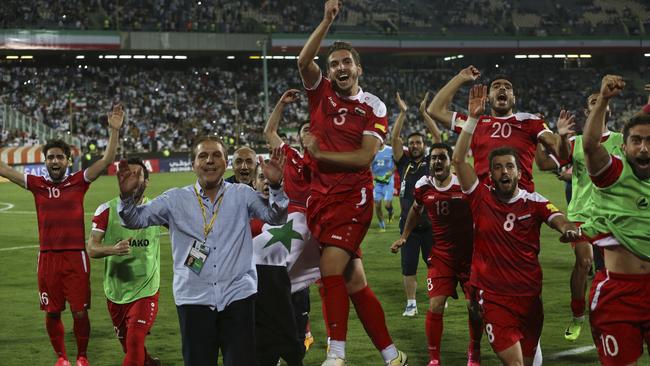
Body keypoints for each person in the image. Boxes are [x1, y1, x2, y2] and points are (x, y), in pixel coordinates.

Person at [297, 1, 406, 364]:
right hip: (320, 198)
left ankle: (337, 353)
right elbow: (302, 61)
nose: (340, 68)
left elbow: (364, 157)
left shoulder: (374, 106)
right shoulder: (320, 92)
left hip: (353, 199)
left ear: (358, 69)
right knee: (354, 280)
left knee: (329, 268)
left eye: (346, 62)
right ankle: (392, 355)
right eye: (334, 64)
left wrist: (317, 153)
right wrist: (326, 22)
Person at [117, 136, 288, 366]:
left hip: (238, 296)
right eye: (203, 156)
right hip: (193, 300)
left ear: (226, 162)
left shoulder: (242, 195)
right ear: (193, 164)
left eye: (216, 155)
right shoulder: (174, 199)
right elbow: (134, 219)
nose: (210, 160)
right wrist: (127, 198)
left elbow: (275, 217)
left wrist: (276, 187)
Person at [452, 84, 580, 366]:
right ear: (491, 172)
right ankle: (475, 346)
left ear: (520, 172)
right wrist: (473, 119)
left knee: (531, 359)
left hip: (530, 297)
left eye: (509, 166)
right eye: (497, 167)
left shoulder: (533, 201)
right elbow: (459, 160)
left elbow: (556, 217)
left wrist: (567, 229)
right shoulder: (480, 197)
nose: (503, 172)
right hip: (495, 296)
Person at [0, 104, 124, 366]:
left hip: (75, 258)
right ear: (45, 161)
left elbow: (106, 162)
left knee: (79, 312)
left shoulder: (79, 181)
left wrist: (114, 131)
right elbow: (4, 169)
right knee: (52, 311)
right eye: (50, 157)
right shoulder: (37, 185)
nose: (54, 161)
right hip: (47, 259)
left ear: (68, 161)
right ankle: (61, 358)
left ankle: (81, 356)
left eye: (59, 157)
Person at [578, 75, 650, 366]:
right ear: (623, 146)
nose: (643, 148)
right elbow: (590, 145)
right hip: (618, 292)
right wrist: (604, 99)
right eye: (636, 141)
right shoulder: (614, 174)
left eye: (649, 141)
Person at [390, 142, 482, 366]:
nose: (437, 161)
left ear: (451, 162)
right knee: (435, 305)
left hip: (470, 257)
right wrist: (404, 236)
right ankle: (434, 359)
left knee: (475, 308)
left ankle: (474, 351)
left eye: (442, 157)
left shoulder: (464, 183)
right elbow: (415, 209)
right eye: (433, 158)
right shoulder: (424, 185)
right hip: (441, 255)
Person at [427, 66, 566, 192]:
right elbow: (434, 110)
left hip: (522, 203)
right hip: (485, 205)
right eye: (496, 86)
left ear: (514, 99)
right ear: (487, 98)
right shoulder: (474, 122)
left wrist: (563, 137)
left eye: (507, 86)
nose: (502, 88)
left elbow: (559, 150)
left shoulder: (530, 121)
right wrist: (460, 78)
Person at [87, 158, 161, 366]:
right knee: (130, 347)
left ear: (147, 181)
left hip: (146, 291)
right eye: (130, 175)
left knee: (135, 340)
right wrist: (113, 249)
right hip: (116, 293)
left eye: (139, 175)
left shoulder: (156, 209)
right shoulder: (106, 210)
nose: (134, 180)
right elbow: (91, 248)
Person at [561, 94, 623, 342]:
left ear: (609, 108)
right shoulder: (576, 142)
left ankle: (610, 319)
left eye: (602, 100)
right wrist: (561, 136)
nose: (598, 103)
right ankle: (577, 317)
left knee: (608, 272)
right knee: (584, 262)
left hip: (611, 216)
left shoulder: (621, 140)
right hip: (581, 215)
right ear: (588, 112)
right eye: (592, 101)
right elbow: (557, 158)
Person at [264, 89, 321, 352]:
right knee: (286, 279)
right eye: (304, 130)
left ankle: (334, 343)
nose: (308, 133)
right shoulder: (292, 157)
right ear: (299, 136)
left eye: (312, 129)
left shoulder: (328, 159)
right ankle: (298, 329)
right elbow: (269, 132)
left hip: (322, 223)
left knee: (330, 283)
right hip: (292, 224)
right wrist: (280, 104)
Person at [391, 92, 441, 317]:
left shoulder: (432, 162)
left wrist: (423, 113)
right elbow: (394, 139)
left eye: (418, 142)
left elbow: (438, 137)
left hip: (431, 224)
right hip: (408, 226)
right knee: (408, 266)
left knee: (434, 264)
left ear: (424, 145)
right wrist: (402, 113)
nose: (415, 145)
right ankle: (411, 303)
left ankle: (437, 295)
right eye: (411, 143)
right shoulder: (404, 163)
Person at [250, 163, 305, 366]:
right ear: (254, 182)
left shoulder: (295, 210)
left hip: (290, 288)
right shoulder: (245, 211)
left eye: (270, 178)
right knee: (263, 350)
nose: (265, 182)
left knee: (294, 348)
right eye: (261, 178)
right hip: (256, 289)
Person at [371, 141, 395, 231]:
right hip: (377, 182)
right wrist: (373, 176)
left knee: (387, 205)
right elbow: (369, 166)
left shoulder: (390, 150)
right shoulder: (372, 151)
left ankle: (390, 211)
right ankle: (382, 226)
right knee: (377, 205)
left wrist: (391, 172)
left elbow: (396, 163)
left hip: (388, 182)